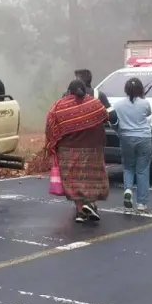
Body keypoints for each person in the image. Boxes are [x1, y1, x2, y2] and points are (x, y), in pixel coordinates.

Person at [45, 79, 110, 223]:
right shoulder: (94, 103)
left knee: (74, 181)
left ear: (69, 92)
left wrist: (52, 145)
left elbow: (50, 127)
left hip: (68, 151)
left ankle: (81, 211)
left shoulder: (59, 106)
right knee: (91, 178)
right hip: (93, 149)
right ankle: (91, 205)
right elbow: (106, 117)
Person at [114, 77, 152, 211]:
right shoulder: (145, 103)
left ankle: (128, 190)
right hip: (144, 138)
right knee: (142, 170)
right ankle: (142, 203)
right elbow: (148, 113)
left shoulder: (118, 105)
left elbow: (115, 120)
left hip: (126, 138)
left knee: (128, 167)